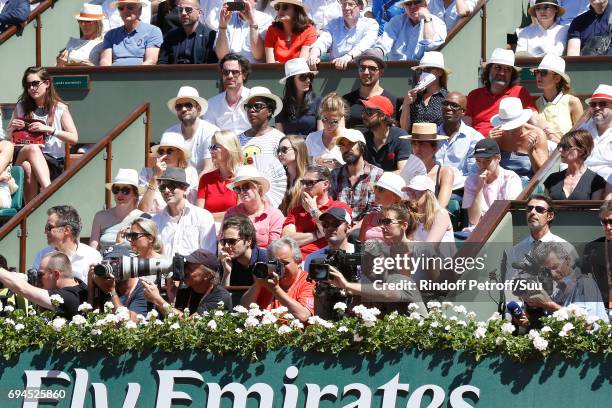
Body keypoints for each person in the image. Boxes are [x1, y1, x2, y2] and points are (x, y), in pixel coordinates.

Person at [5, 67, 79, 203]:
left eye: (35, 83)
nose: (32, 88)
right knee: (33, 149)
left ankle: (30, 211)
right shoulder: (21, 107)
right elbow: (8, 138)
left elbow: (74, 138)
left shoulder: (60, 108)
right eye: (28, 85)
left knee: (28, 166)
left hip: (52, 161)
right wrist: (13, 128)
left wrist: (49, 129)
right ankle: (48, 191)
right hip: (22, 153)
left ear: (47, 83)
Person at [525, 241, 609, 322]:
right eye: (547, 270)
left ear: (568, 259)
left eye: (555, 267)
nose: (552, 274)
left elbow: (587, 323)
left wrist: (551, 305)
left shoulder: (585, 283)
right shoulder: (557, 292)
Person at [465, 48, 539, 137]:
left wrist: (550, 133)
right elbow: (466, 128)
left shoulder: (519, 92)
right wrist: (485, 139)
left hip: (509, 145)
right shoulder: (474, 95)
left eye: (507, 69)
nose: (502, 73)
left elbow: (535, 119)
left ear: (512, 74)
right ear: (489, 70)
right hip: (480, 145)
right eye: (497, 68)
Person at [282, 164, 352, 257]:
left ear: (325, 184)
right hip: (298, 261)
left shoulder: (340, 208)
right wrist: (317, 234)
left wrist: (313, 211)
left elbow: (335, 233)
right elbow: (286, 240)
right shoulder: (297, 211)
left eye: (310, 183)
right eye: (303, 182)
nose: (304, 186)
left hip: (326, 259)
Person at [240, 237, 315, 322]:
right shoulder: (267, 279)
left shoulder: (308, 281)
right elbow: (243, 310)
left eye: (285, 263)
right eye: (276, 263)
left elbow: (303, 315)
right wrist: (258, 283)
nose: (281, 268)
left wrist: (276, 289)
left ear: (298, 261)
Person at [143, 249, 232, 316]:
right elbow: (175, 323)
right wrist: (171, 298)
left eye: (190, 269)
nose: (184, 271)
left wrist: (158, 300)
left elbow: (191, 324)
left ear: (207, 275)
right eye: (185, 266)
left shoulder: (220, 297)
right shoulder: (184, 291)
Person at [506, 195, 575, 283]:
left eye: (539, 209)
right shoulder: (515, 251)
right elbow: (509, 285)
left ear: (550, 216)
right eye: (529, 208)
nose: (532, 212)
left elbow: (572, 283)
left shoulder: (566, 247)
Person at [152, 167, 217, 256]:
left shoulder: (203, 216)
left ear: (185, 189)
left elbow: (209, 255)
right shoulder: (155, 221)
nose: (166, 191)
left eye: (172, 186)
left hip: (195, 269)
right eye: (162, 187)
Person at [0, 252, 87, 318]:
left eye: (40, 275)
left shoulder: (68, 297)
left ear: (56, 275)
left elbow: (23, 289)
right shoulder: (78, 284)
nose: (38, 279)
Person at [462, 139, 522, 231]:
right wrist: (479, 187)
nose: (482, 166)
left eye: (487, 160)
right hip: (477, 231)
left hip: (502, 229)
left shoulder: (511, 178)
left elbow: (510, 214)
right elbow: (473, 220)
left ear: (498, 158)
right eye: (478, 161)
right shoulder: (471, 180)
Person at [33, 205, 103, 283]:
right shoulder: (42, 255)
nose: (45, 232)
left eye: (49, 228)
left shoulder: (92, 256)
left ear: (67, 230)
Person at [223, 166, 285, 248]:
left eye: (246, 187)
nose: (241, 192)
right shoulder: (231, 213)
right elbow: (223, 241)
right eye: (237, 189)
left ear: (259, 188)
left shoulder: (274, 215)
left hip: (263, 259)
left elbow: (273, 249)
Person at [331, 128, 384, 225]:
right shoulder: (335, 175)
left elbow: (377, 210)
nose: (346, 149)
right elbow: (330, 204)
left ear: (361, 147)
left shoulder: (378, 175)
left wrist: (355, 229)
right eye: (342, 145)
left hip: (367, 228)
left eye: (351, 144)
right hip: (339, 227)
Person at [307, 0, 379, 70]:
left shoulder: (371, 24)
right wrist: (313, 54)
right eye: (344, 4)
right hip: (335, 69)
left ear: (360, 7)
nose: (346, 8)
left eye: (350, 4)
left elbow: (364, 44)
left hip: (361, 70)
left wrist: (347, 57)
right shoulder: (333, 24)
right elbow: (323, 41)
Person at [490, 97, 549, 182]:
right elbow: (488, 168)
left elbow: (543, 174)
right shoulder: (497, 135)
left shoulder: (538, 134)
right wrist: (491, 145)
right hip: (503, 184)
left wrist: (531, 151)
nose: (510, 129)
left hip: (529, 186)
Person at [138, 131, 199, 214]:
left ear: (179, 153)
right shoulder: (146, 172)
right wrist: (155, 177)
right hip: (152, 222)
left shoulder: (190, 172)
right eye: (161, 151)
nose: (165, 154)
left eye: (169, 151)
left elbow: (193, 206)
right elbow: (142, 211)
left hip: (181, 220)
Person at [164, 86, 219, 174]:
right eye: (179, 106)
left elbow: (209, 168)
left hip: (202, 183)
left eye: (188, 105)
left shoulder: (211, 132)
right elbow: (164, 165)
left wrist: (191, 186)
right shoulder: (169, 133)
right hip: (174, 182)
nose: (183, 109)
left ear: (198, 108)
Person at [342, 48, 397, 133]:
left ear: (381, 72)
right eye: (362, 68)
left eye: (372, 68)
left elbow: (393, 131)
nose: (366, 72)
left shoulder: (390, 99)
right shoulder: (346, 100)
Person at [89, 168, 144, 251]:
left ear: (135, 194)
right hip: (104, 262)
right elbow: (93, 250)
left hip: (131, 262)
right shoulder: (100, 216)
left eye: (125, 190)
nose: (119, 194)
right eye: (116, 190)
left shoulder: (144, 218)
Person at [544, 129, 608, 199]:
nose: (560, 150)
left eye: (565, 147)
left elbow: (595, 209)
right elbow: (544, 207)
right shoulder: (552, 179)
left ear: (581, 151)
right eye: (560, 146)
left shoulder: (596, 181)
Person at [402, 122, 454, 208]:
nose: (417, 148)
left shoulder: (445, 173)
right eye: (414, 144)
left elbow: (441, 207)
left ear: (434, 148)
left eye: (423, 144)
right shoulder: (408, 171)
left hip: (434, 219)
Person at [533, 54, 584, 141]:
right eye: (537, 72)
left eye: (544, 73)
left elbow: (581, 137)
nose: (539, 76)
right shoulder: (536, 104)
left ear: (557, 78)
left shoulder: (572, 102)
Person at [375, 0, 447, 61]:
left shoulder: (438, 23)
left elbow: (432, 45)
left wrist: (427, 18)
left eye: (417, 2)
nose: (412, 6)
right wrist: (376, 53)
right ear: (404, 7)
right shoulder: (396, 21)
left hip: (422, 71)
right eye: (408, 4)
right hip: (397, 69)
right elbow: (384, 43)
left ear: (425, 4)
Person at [435, 91, 483, 178]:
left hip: (460, 189)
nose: (448, 108)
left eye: (454, 105)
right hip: (431, 186)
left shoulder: (474, 138)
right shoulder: (432, 135)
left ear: (463, 111)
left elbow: (473, 174)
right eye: (445, 104)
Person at [99, 0, 162, 65]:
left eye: (130, 7)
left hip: (141, 73)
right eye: (121, 8)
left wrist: (135, 74)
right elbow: (105, 61)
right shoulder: (110, 34)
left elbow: (151, 61)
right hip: (114, 74)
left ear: (140, 10)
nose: (125, 11)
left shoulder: (153, 31)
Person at [196, 130, 241, 221]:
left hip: (234, 229)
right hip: (208, 231)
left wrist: (207, 217)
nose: (211, 151)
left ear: (229, 148)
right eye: (210, 147)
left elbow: (240, 213)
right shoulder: (206, 178)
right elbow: (198, 214)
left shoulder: (241, 177)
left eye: (215, 147)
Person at [203, 53, 252, 135]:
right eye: (225, 72)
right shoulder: (212, 103)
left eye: (235, 72)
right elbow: (209, 135)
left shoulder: (253, 98)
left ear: (244, 74)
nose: (229, 76)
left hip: (252, 146)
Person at [400, 51, 449, 131]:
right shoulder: (414, 96)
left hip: (438, 142)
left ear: (439, 72)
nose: (423, 73)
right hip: (414, 142)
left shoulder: (447, 98)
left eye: (427, 69)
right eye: (420, 70)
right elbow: (404, 129)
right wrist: (406, 104)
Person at [361, 95, 412, 173]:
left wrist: (376, 178)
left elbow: (403, 171)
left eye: (369, 112)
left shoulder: (400, 137)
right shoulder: (364, 137)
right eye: (363, 111)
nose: (363, 115)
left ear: (382, 116)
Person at [218, 214, 268, 289]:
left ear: (248, 241)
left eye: (232, 241)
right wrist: (227, 272)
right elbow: (224, 298)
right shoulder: (226, 261)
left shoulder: (264, 259)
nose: (226, 246)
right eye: (224, 241)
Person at [275, 58, 322, 137]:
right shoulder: (281, 105)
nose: (308, 80)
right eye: (303, 77)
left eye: (310, 76)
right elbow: (280, 136)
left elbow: (321, 134)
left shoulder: (318, 101)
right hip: (290, 147)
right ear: (291, 80)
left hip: (312, 146)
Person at [404, 175, 455, 244]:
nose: (412, 195)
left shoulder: (441, 214)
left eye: (416, 191)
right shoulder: (412, 217)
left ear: (428, 194)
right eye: (409, 192)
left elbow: (430, 248)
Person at [582, 199, 612, 310]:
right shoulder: (592, 248)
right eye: (604, 222)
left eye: (611, 221)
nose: (608, 227)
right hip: (598, 307)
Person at [359, 171, 407, 242]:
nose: (375, 192)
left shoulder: (404, 218)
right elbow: (360, 245)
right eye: (376, 188)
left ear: (394, 195)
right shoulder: (369, 217)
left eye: (381, 189)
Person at [238, 86, 285, 157]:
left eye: (257, 106)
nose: (251, 110)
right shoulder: (238, 140)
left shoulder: (279, 139)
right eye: (249, 106)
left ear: (269, 111)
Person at [304, 92, 347, 168]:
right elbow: (305, 165)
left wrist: (339, 165)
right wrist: (315, 161)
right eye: (325, 119)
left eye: (334, 121)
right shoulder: (312, 138)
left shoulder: (352, 137)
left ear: (341, 117)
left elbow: (358, 165)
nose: (328, 125)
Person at [580, 84, 612, 183]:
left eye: (602, 104)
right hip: (583, 179)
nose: (597, 107)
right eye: (593, 105)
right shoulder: (583, 129)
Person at [277, 135, 310, 215]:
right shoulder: (278, 178)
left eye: (284, 149)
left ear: (298, 150)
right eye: (278, 150)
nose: (280, 154)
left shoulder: (310, 178)